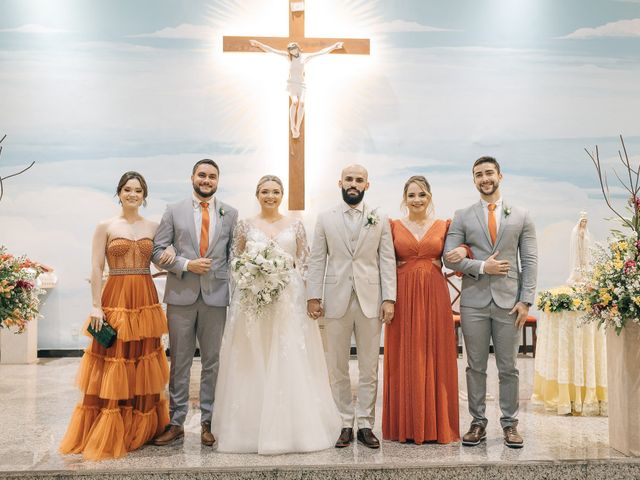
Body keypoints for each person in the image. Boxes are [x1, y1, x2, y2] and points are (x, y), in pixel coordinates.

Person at [212, 175, 340, 454]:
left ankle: (293, 427)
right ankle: (248, 428)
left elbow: (305, 264)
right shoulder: (244, 224)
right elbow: (235, 260)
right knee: (253, 355)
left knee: (288, 355)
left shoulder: (295, 225)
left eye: (276, 191)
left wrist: (309, 296)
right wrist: (251, 277)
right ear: (256, 194)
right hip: (252, 299)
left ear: (282, 195)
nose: (271, 196)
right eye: (265, 191)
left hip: (288, 299)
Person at [59, 171, 174, 460]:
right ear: (119, 193)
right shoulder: (106, 226)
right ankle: (110, 428)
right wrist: (96, 305)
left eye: (138, 190)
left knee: (143, 359)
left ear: (144, 195)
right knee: (115, 358)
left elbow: (162, 257)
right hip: (116, 297)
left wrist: (170, 254)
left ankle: (141, 426)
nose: (133, 194)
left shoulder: (155, 225)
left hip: (145, 296)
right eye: (127, 189)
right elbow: (97, 267)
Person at [443, 156, 537, 449]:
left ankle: (510, 424)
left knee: (509, 366)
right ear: (474, 180)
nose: (484, 178)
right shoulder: (462, 215)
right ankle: (478, 423)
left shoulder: (521, 215)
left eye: (488, 173)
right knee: (476, 366)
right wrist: (483, 267)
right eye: (478, 175)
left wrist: (526, 301)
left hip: (510, 302)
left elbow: (530, 260)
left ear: (500, 175)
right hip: (474, 301)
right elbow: (448, 256)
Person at [307, 164, 396, 449]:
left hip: (371, 300)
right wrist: (313, 296)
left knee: (370, 365)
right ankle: (344, 421)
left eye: (359, 180)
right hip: (336, 298)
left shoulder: (379, 217)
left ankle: (366, 423)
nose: (353, 183)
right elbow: (318, 259)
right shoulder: (325, 218)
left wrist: (389, 298)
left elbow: (387, 260)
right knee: (337, 365)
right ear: (340, 183)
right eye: (349, 179)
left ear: (367, 185)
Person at [152, 159, 238, 447]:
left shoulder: (230, 213)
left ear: (218, 181)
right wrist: (186, 264)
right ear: (192, 177)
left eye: (212, 176)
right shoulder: (173, 210)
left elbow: (233, 255)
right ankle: (176, 423)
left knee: (212, 362)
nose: (207, 180)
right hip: (181, 296)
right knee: (180, 362)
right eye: (202, 175)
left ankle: (208, 422)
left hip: (216, 297)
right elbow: (156, 249)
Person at [383, 175, 466, 445]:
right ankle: (405, 425)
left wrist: (464, 250)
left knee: (435, 353)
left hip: (434, 294)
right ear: (404, 199)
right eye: (411, 195)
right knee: (404, 354)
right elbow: (382, 260)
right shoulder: (392, 226)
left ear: (429, 197)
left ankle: (436, 424)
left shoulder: (444, 226)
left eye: (422, 195)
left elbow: (462, 247)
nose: (416, 200)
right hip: (401, 295)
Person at [249, 39, 343, 139]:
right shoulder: (288, 58)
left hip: (302, 84)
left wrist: (334, 46)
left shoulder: (305, 57)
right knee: (294, 102)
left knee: (302, 103)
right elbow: (272, 50)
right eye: (290, 50)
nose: (293, 51)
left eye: (294, 49)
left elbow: (320, 53)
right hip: (292, 84)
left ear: (298, 48)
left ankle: (297, 127)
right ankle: (292, 125)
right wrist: (258, 44)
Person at [567, 211, 591, 284]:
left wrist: (584, 237)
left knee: (584, 262)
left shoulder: (586, 230)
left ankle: (584, 276)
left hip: (584, 250)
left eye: (585, 221)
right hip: (578, 250)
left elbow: (588, 240)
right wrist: (579, 237)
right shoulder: (575, 230)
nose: (584, 223)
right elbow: (574, 240)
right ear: (580, 222)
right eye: (583, 221)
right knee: (578, 263)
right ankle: (577, 276)